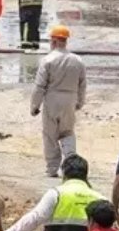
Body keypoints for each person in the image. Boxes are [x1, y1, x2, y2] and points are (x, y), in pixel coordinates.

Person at [32, 25, 87, 176]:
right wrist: (80, 102)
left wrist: (35, 106)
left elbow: (39, 86)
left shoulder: (48, 60)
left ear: (54, 41)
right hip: (70, 100)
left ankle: (52, 169)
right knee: (68, 133)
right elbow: (82, 85)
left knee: (50, 135)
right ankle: (71, 166)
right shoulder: (77, 60)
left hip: (52, 100)